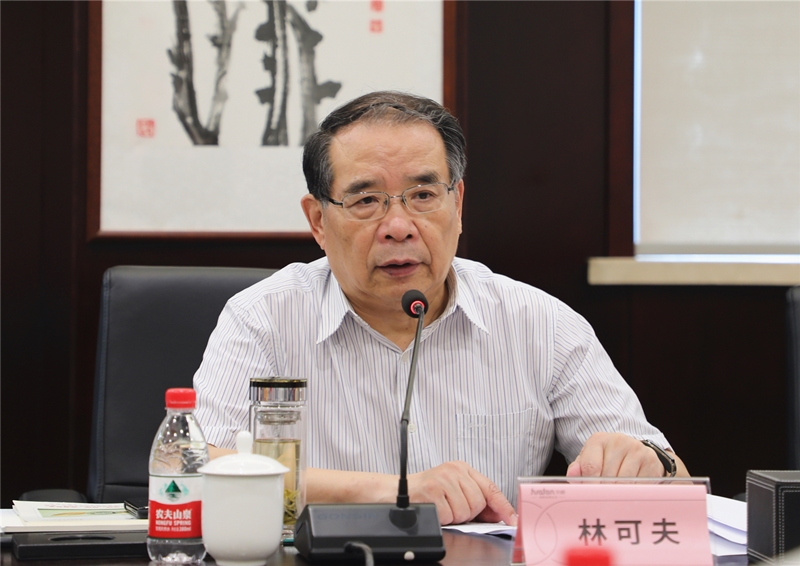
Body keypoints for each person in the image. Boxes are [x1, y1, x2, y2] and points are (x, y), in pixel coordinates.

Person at [193, 91, 688, 526]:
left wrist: (647, 465)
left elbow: (677, 490)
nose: (399, 226)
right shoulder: (263, 319)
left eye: (424, 195)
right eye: (366, 201)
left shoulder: (542, 325)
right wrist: (393, 492)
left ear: (458, 204)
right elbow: (196, 470)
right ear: (319, 221)